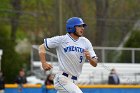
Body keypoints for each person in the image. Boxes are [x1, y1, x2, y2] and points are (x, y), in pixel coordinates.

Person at [39, 17, 98, 93]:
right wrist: (43, 63)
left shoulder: (85, 42)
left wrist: (90, 58)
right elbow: (41, 47)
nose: (82, 28)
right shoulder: (62, 39)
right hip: (62, 79)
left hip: (73, 81)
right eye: (79, 26)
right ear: (71, 27)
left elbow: (95, 63)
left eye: (83, 26)